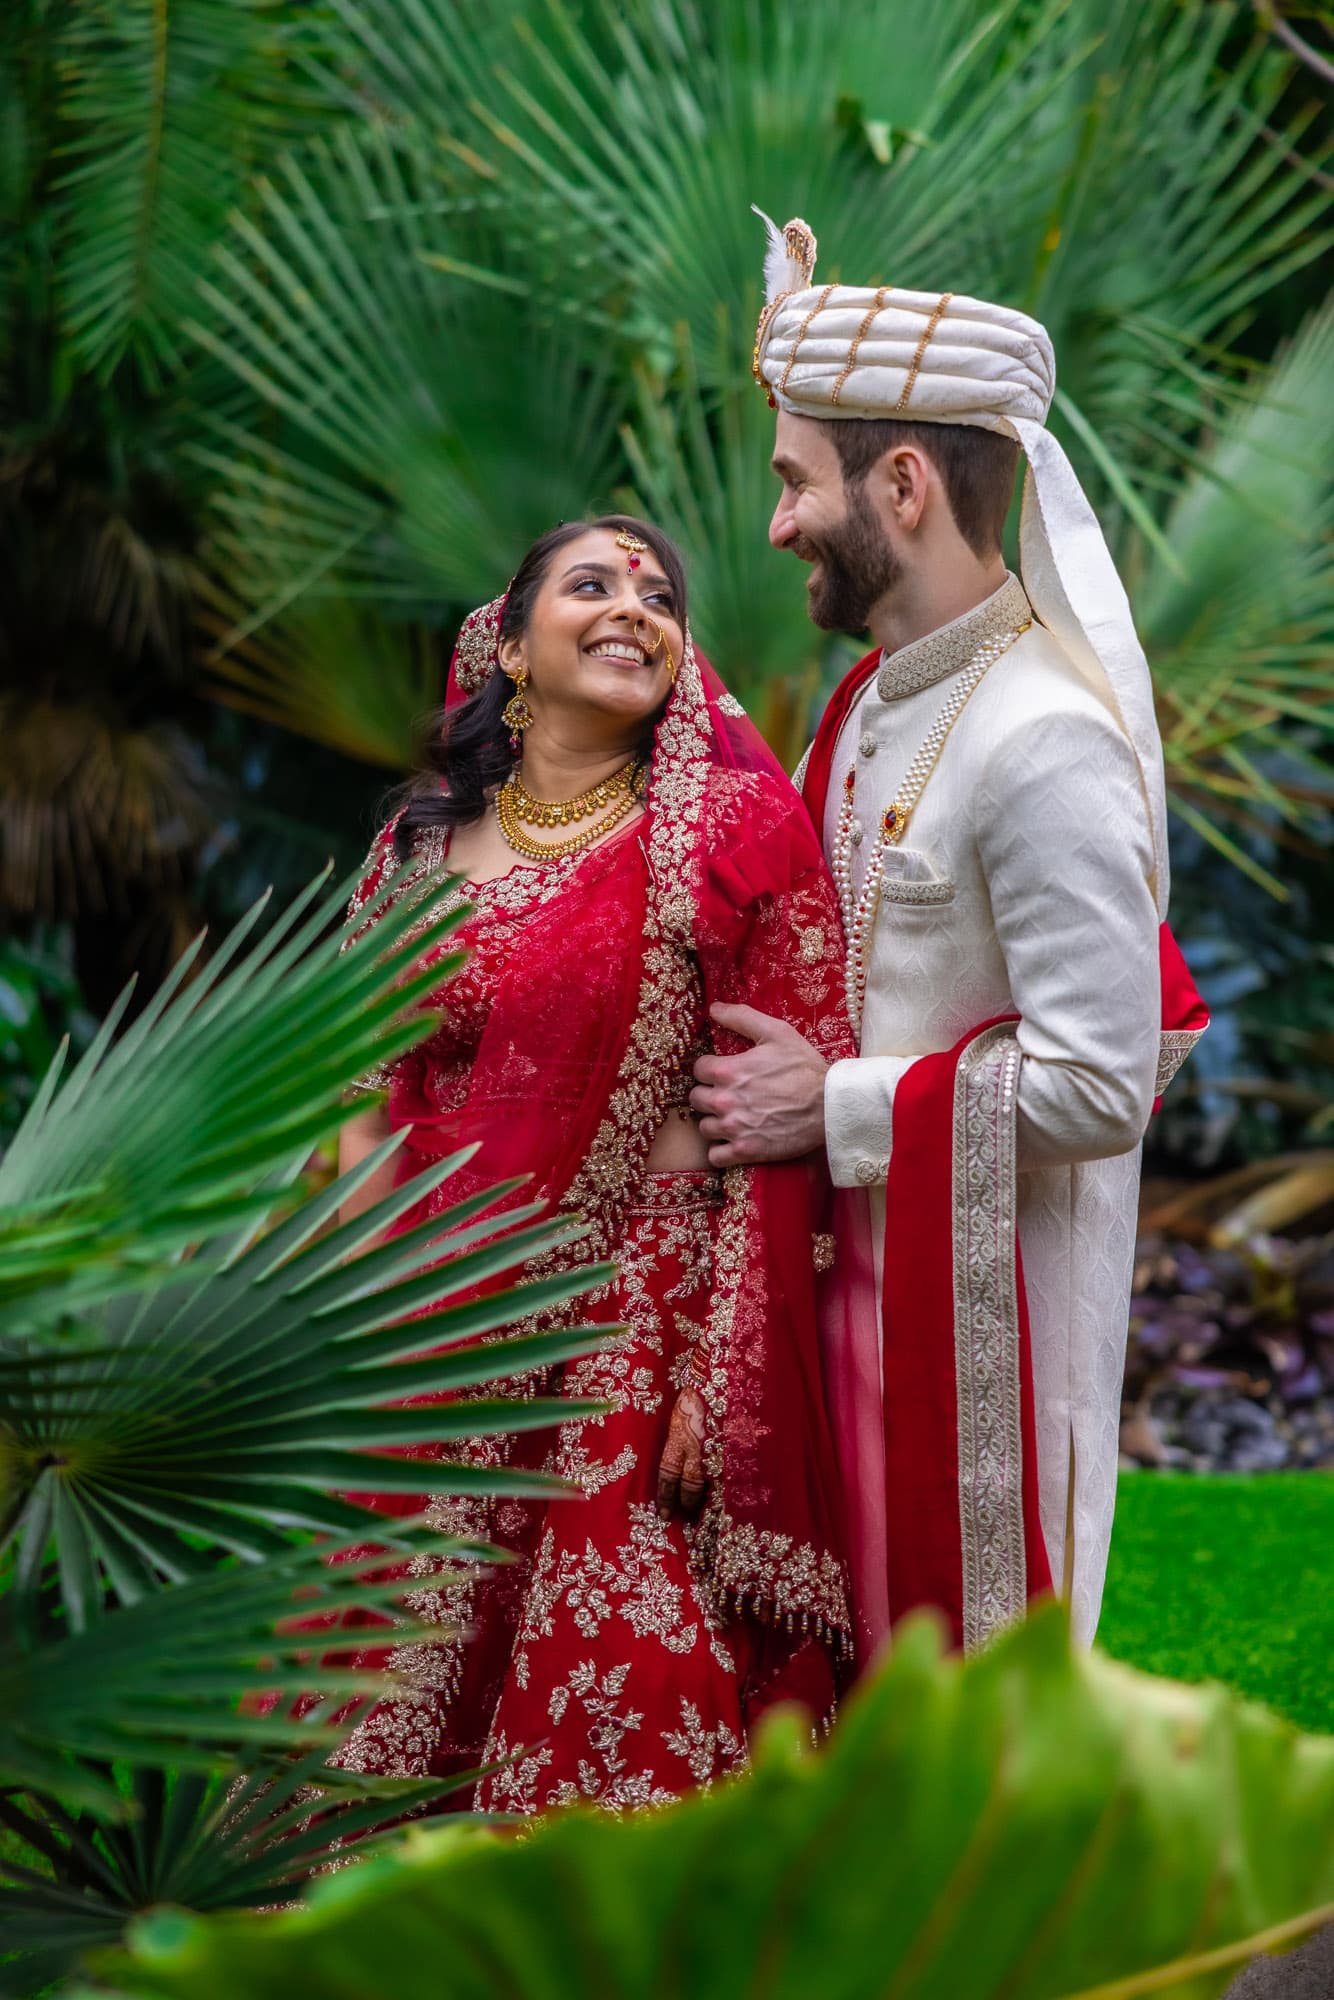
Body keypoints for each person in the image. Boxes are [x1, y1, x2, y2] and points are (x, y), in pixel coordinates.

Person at [691, 218, 1208, 1658]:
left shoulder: (1045, 738)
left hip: (982, 1338)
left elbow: (1102, 1086)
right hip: (851, 1295)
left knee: (969, 1739)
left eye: (797, 480)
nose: (779, 522)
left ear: (902, 484)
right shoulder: (876, 699)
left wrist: (833, 1105)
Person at [331, 514, 855, 1814]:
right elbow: (361, 1098)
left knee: (623, 1682)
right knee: (375, 1692)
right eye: (592, 585)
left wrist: (717, 1378)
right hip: (437, 1320)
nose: (636, 607)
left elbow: (779, 1129)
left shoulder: (729, 827)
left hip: (636, 1317)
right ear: (507, 647)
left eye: (659, 594)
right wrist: (350, 1317)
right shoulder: (414, 848)